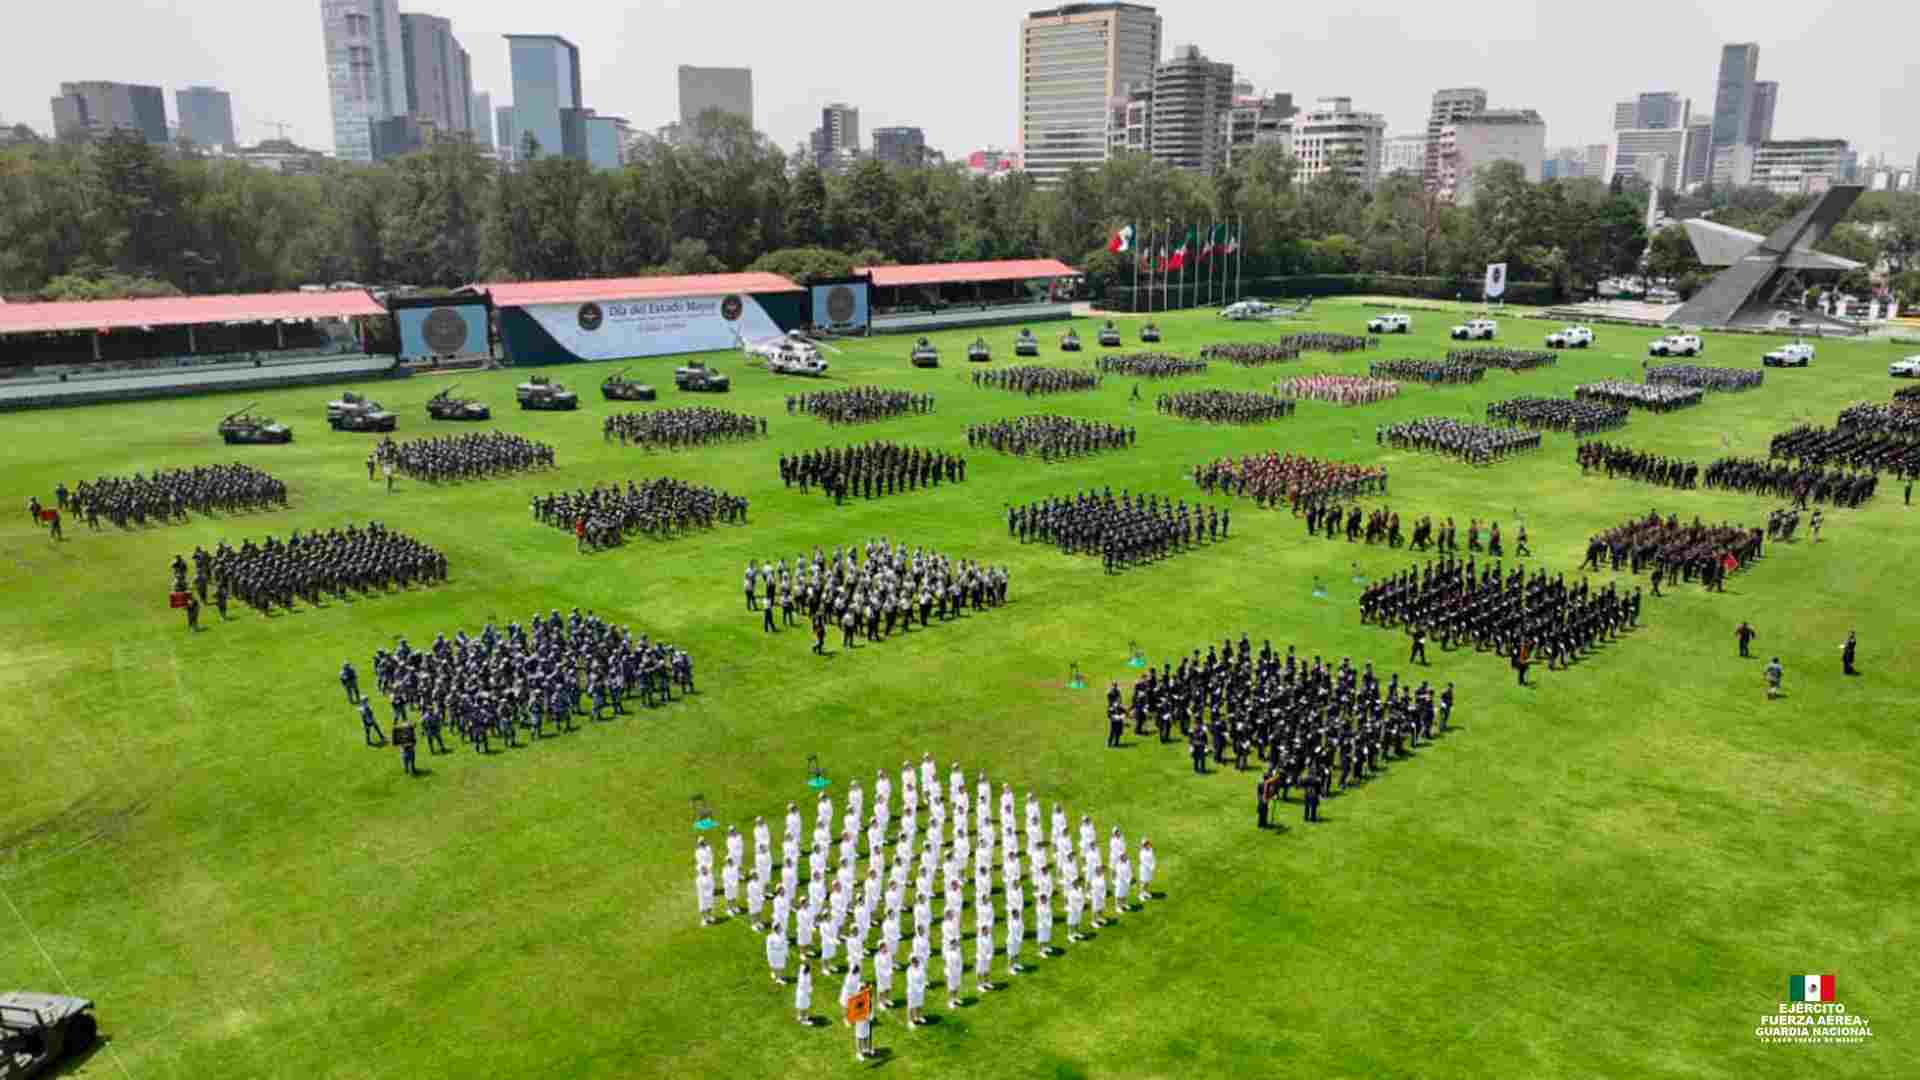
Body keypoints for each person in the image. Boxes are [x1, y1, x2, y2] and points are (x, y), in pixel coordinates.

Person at [905, 956, 927, 1026]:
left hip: (920, 990)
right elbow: (911, 982)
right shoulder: (909, 971)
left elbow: (923, 978)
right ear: (911, 962)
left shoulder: (921, 968)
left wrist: (922, 987)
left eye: (916, 961)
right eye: (913, 962)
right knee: (911, 1005)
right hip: (912, 991)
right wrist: (918, 988)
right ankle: (910, 1020)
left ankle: (918, 1016)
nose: (915, 963)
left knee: (919, 1004)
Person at [795, 960, 814, 1025]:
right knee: (804, 1006)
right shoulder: (805, 978)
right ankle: (804, 1020)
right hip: (803, 993)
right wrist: (810, 991)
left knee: (801, 1005)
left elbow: (802, 965)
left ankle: (800, 1016)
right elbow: (806, 987)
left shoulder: (802, 970)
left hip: (800, 992)